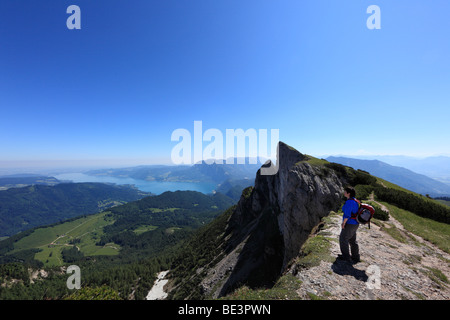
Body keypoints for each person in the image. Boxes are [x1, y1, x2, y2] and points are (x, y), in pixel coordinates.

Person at [338, 186, 360, 263]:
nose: (344, 192)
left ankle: (346, 257)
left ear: (348, 193)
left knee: (343, 239)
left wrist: (343, 223)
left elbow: (347, 215)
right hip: (355, 224)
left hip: (350, 224)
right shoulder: (355, 200)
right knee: (352, 240)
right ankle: (355, 257)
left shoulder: (349, 202)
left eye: (345, 191)